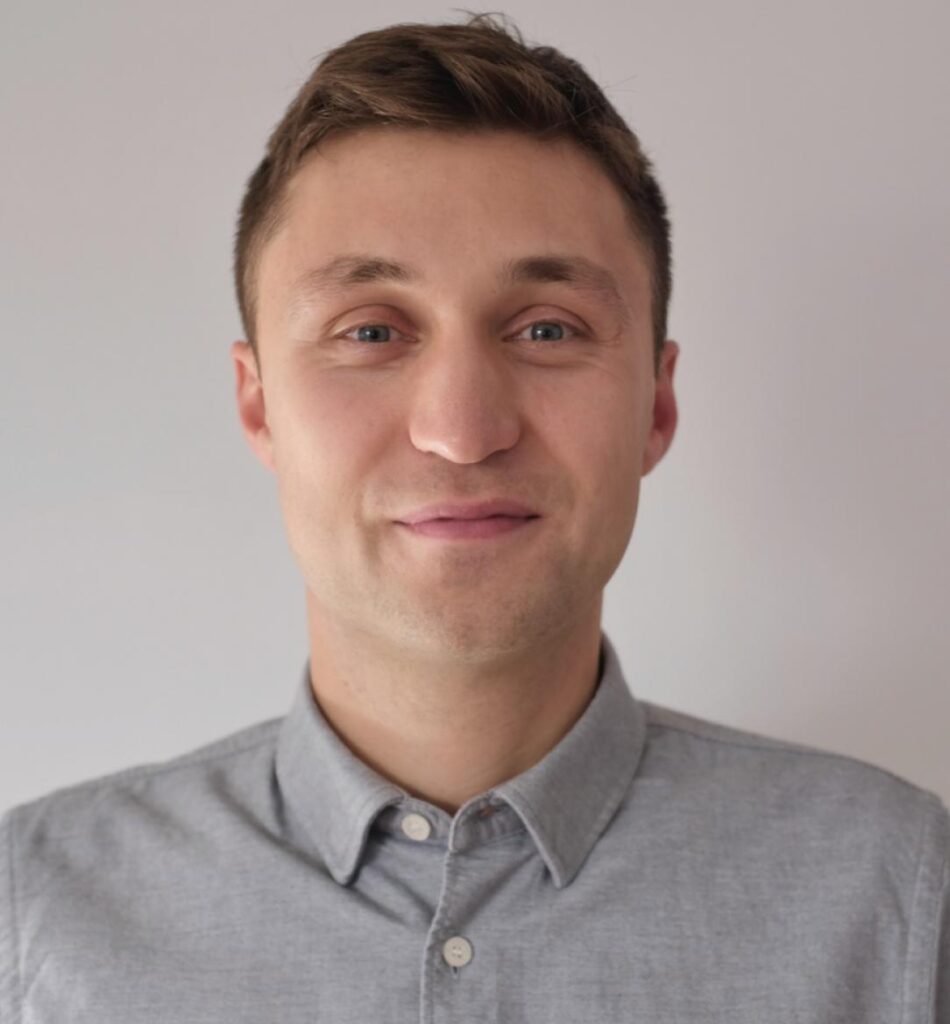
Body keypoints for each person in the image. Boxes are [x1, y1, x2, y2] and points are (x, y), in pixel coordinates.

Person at [1, 12, 946, 1022]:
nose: (461, 428)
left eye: (546, 328)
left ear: (654, 407)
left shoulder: (896, 898)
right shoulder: (32, 917)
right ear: (258, 403)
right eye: (371, 330)